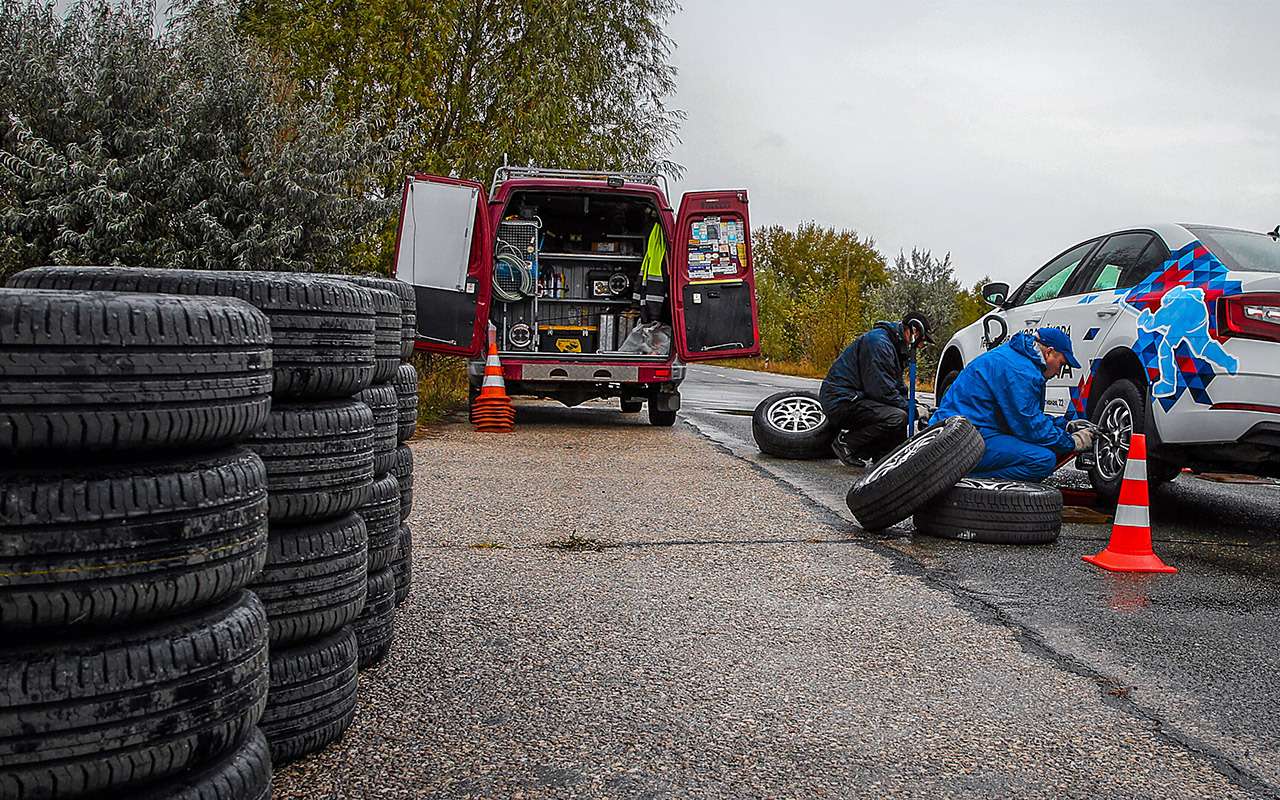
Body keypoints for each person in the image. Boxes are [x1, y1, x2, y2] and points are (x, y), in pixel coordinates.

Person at [930, 327, 1094, 482]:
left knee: (1040, 447)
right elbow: (1030, 428)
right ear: (1049, 352)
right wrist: (1073, 442)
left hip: (958, 431)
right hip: (961, 441)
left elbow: (1024, 414)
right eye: (1061, 364)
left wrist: (1065, 426)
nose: (1059, 372)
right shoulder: (1021, 371)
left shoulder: (1017, 358)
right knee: (1042, 460)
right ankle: (965, 481)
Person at [820, 313, 934, 466]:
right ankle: (847, 443)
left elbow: (896, 387)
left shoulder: (894, 346)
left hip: (858, 397)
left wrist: (914, 405)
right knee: (896, 417)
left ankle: (883, 454)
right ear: (914, 331)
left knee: (903, 412)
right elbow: (880, 390)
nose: (921, 345)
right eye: (922, 340)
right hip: (843, 400)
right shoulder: (879, 343)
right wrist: (910, 408)